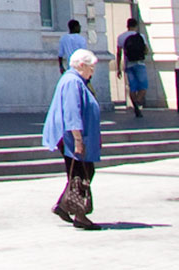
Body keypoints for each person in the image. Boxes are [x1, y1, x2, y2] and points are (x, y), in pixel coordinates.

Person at [42, 48, 103, 230]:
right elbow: (71, 113)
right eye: (91, 68)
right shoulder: (71, 82)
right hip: (71, 137)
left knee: (82, 171)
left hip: (77, 136)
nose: (92, 72)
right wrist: (77, 139)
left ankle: (64, 206)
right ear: (81, 65)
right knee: (80, 173)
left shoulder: (77, 80)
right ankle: (79, 214)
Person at [115, 17, 152, 118]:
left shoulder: (121, 37)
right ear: (136, 26)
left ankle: (135, 104)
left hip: (128, 65)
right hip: (140, 64)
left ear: (127, 26)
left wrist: (118, 68)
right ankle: (137, 104)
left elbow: (119, 53)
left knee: (132, 87)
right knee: (143, 87)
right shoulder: (140, 36)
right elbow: (146, 50)